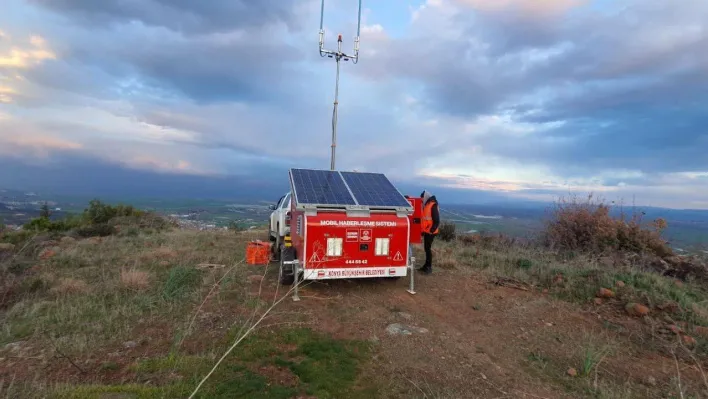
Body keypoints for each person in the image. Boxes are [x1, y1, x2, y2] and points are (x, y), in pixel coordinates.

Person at [419, 190, 439, 274]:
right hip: (427, 231)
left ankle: (429, 267)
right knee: (426, 248)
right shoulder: (426, 205)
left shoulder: (432, 205)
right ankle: (426, 266)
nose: (421, 200)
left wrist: (431, 230)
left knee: (428, 249)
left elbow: (436, 220)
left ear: (426, 197)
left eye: (422, 198)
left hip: (431, 232)